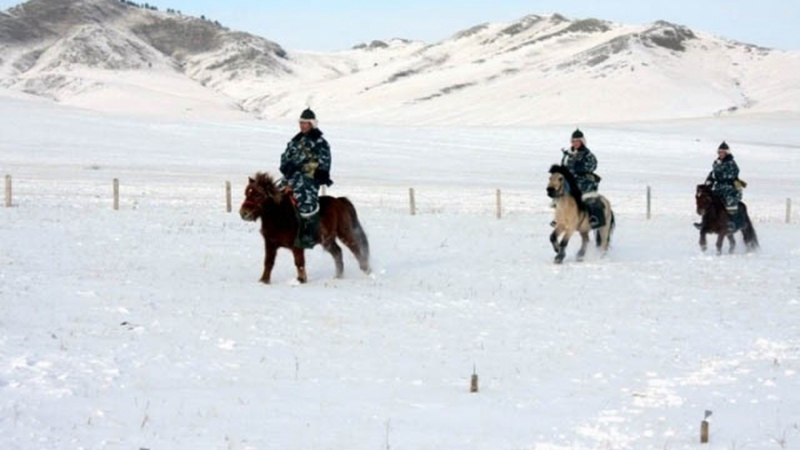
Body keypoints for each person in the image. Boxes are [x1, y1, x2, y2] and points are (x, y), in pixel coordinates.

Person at [279, 108, 333, 248]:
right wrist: (286, 166)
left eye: (305, 123)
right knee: (276, 195)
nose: (302, 125)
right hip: (291, 176)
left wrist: (319, 174)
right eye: (301, 122)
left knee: (306, 201)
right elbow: (285, 156)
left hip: (309, 177)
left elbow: (325, 160)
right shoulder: (295, 140)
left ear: (312, 124)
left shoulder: (320, 142)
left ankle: (309, 233)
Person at [561, 128, 603, 227]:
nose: (575, 143)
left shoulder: (588, 154)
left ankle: (593, 217)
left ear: (582, 141)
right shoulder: (568, 154)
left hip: (584, 181)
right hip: (570, 181)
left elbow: (593, 166)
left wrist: (580, 168)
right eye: (573, 141)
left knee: (588, 197)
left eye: (577, 141)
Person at [702, 141, 744, 231]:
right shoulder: (717, 163)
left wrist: (724, 179)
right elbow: (713, 173)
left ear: (726, 153)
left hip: (730, 187)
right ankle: (705, 221)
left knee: (729, 201)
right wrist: (709, 181)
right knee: (708, 200)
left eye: (722, 152)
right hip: (718, 187)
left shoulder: (731, 163)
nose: (720, 154)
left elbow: (733, 175)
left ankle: (730, 222)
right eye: (719, 152)